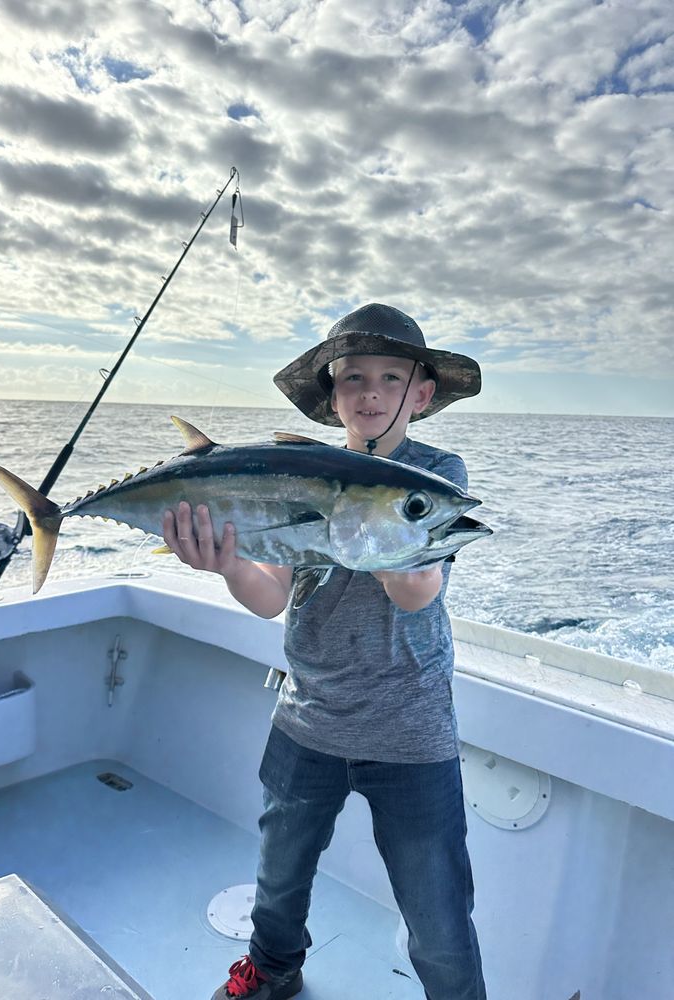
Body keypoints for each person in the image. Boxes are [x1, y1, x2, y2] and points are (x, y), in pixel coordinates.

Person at [162, 303, 487, 1000]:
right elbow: (269, 597)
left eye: (391, 377)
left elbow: (418, 592)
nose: (371, 393)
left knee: (437, 913)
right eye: (353, 378)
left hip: (410, 726)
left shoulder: (433, 478)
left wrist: (376, 531)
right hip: (306, 715)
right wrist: (226, 562)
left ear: (422, 394)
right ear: (332, 395)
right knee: (278, 877)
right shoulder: (294, 472)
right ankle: (273, 970)